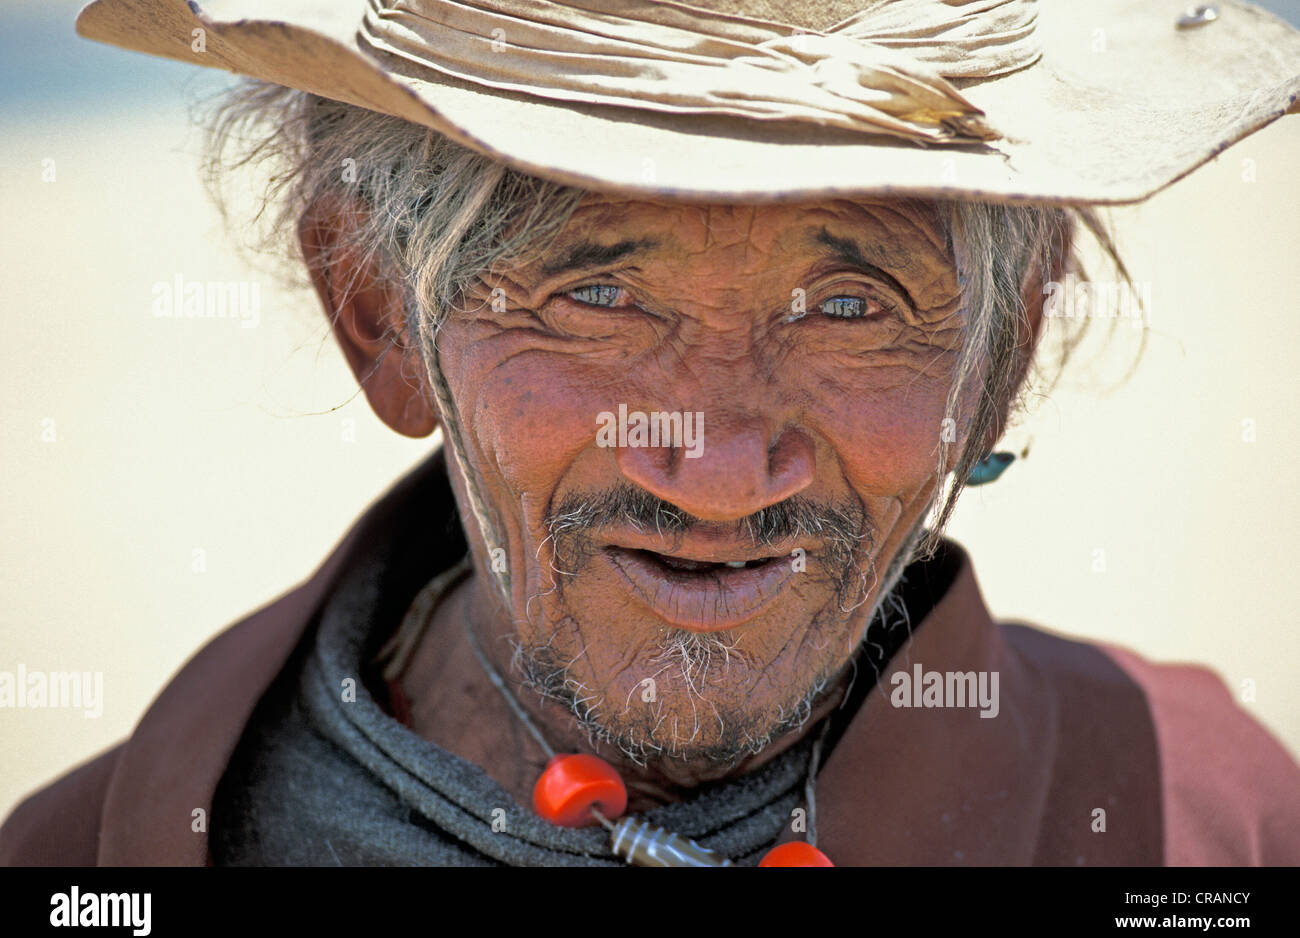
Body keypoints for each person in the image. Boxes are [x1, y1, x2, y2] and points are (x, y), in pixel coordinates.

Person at [3, 0, 1298, 866]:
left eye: (851, 305)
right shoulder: (92, 858)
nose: (724, 470)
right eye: (598, 296)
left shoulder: (1198, 821)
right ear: (380, 315)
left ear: (1001, 352)